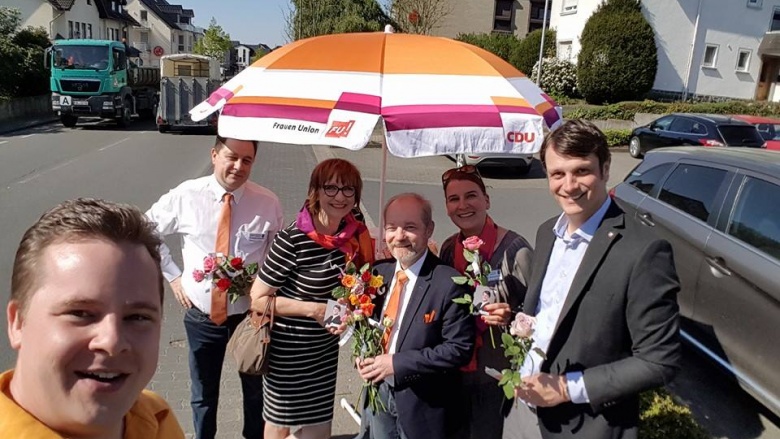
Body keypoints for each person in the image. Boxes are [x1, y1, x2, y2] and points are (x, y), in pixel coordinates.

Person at [504, 120, 681, 439]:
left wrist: (564, 388)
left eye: (581, 170)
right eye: (557, 174)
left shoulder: (645, 251)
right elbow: (550, 311)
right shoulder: (548, 232)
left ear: (606, 168)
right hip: (526, 408)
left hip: (587, 424)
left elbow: (660, 360)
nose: (569, 185)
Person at [2, 198, 185, 438]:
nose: (112, 342)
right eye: (80, 313)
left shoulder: (157, 419)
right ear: (18, 322)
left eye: (137, 317)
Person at [146, 135, 283, 439]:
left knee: (255, 392)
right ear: (214, 155)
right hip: (202, 316)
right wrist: (172, 275)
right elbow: (145, 228)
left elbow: (276, 256)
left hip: (249, 318)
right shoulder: (186, 195)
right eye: (231, 157)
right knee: (203, 395)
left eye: (247, 160)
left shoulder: (268, 203)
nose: (238, 166)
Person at [249, 158, 374, 439]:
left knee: (318, 431)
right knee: (280, 428)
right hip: (288, 355)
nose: (339, 197)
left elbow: (362, 284)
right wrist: (314, 310)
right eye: (330, 188)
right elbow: (258, 299)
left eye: (348, 190)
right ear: (315, 192)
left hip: (324, 354)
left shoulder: (353, 237)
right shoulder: (292, 240)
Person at [356, 193, 476, 439]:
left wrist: (396, 363)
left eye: (410, 227)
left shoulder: (449, 282)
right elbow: (366, 323)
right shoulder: (378, 274)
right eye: (391, 228)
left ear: (429, 229)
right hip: (379, 396)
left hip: (424, 407)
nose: (399, 236)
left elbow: (458, 349)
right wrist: (362, 355)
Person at [438, 166, 533, 439]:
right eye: (453, 199)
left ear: (487, 200)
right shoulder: (447, 249)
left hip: (496, 377)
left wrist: (512, 316)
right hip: (454, 373)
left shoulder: (517, 250)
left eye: (471, 196)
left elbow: (543, 314)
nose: (463, 205)